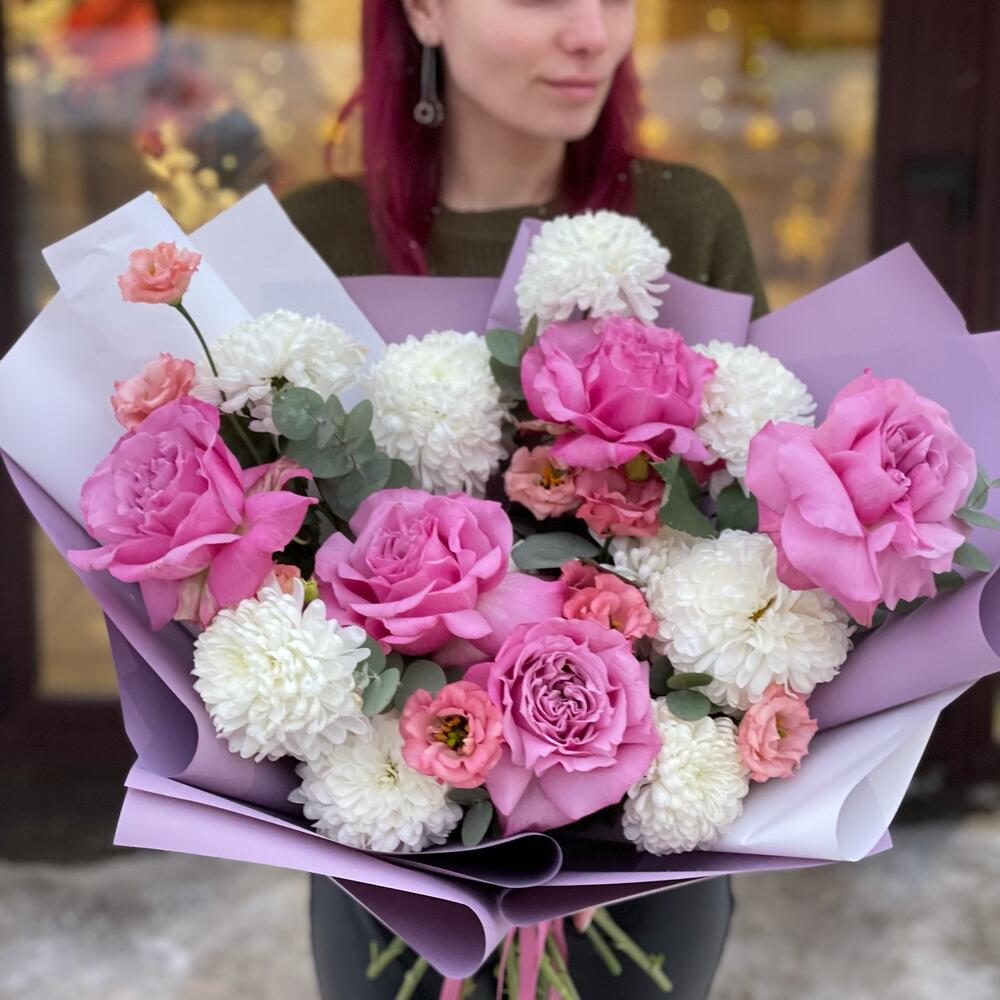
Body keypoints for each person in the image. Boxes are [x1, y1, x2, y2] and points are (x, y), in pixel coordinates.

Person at [281, 1, 768, 996]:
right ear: (424, 9)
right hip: (389, 860)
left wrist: (609, 805)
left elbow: (755, 542)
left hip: (638, 865)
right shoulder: (315, 236)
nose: (592, 32)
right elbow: (273, 560)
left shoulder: (682, 224)